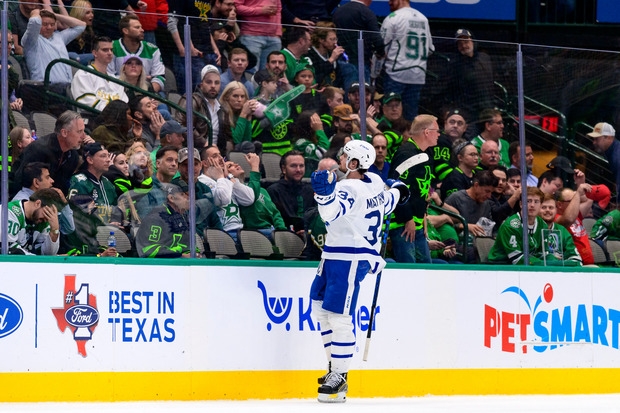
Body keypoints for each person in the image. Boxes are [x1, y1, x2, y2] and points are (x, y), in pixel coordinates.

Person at [309, 139, 406, 403]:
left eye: (344, 156)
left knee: (339, 316)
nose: (340, 158)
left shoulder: (348, 188)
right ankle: (334, 368)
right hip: (334, 254)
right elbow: (389, 199)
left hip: (349, 257)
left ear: (353, 163)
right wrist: (399, 189)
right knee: (319, 306)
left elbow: (330, 214)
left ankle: (339, 376)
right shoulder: (374, 180)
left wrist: (323, 195)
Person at [387, 114, 438, 263]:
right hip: (403, 224)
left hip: (417, 222)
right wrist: (407, 218)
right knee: (409, 267)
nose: (439, 135)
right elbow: (396, 187)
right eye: (437, 130)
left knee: (426, 267)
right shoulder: (406, 153)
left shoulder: (427, 152)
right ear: (427, 132)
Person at [489, 187, 579, 266]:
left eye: (536, 202)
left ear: (540, 205)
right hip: (501, 265)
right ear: (521, 204)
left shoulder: (541, 224)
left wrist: (555, 261)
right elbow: (517, 259)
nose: (532, 205)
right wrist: (545, 263)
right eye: (528, 201)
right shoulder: (511, 226)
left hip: (527, 266)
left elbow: (542, 253)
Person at [380, 0, 433, 121]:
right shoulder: (423, 18)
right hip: (417, 74)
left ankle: (390, 137)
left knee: (391, 113)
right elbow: (430, 49)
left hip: (396, 73)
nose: (389, 2)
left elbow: (381, 47)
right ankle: (409, 138)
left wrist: (374, 73)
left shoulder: (393, 17)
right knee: (410, 116)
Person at [15, 111, 85, 195]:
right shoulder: (38, 149)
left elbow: (63, 188)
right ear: (64, 133)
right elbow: (19, 181)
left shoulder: (73, 156)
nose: (83, 136)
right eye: (79, 132)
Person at [167, 0, 220, 95]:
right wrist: (184, 48)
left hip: (208, 52)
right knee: (192, 92)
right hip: (190, 53)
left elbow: (207, 26)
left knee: (213, 90)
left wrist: (215, 49)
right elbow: (173, 22)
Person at [21, 7, 86, 83]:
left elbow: (81, 26)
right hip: (44, 88)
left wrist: (54, 15)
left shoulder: (59, 37)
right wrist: (35, 12)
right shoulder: (31, 40)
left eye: (52, 24)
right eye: (45, 24)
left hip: (66, 88)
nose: (49, 27)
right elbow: (35, 21)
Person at [13, 161, 75, 238]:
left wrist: (64, 203)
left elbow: (68, 229)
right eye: (47, 177)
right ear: (36, 182)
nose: (52, 181)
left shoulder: (46, 200)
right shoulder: (19, 204)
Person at [107, 14, 166, 95]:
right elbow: (108, 75)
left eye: (141, 27)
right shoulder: (111, 48)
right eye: (137, 27)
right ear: (125, 31)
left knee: (163, 108)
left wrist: (146, 92)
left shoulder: (152, 50)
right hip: (119, 92)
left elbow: (160, 76)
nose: (142, 30)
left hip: (148, 91)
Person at [135, 184, 196, 258]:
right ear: (171, 198)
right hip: (154, 267)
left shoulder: (183, 217)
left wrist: (194, 254)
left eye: (190, 195)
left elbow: (188, 246)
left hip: (177, 265)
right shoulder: (155, 218)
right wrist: (180, 256)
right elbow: (149, 250)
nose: (189, 198)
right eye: (183, 195)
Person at [444, 29, 495, 116]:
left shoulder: (485, 58)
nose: (463, 45)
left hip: (488, 108)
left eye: (466, 41)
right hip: (467, 111)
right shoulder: (454, 65)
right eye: (460, 43)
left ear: (473, 41)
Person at [71, 36, 129, 112]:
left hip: (116, 120)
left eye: (111, 50)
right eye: (105, 50)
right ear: (95, 53)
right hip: (92, 119)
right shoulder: (83, 74)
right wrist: (112, 112)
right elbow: (86, 102)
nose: (110, 53)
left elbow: (124, 103)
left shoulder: (115, 79)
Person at [332, 0, 385, 82]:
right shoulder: (366, 13)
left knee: (345, 90)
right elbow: (377, 39)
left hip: (340, 59)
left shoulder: (338, 11)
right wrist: (380, 53)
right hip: (360, 61)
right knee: (359, 92)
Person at [67, 143, 120, 225]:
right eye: (103, 156)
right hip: (87, 234)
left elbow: (115, 209)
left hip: (108, 232)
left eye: (108, 156)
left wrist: (116, 221)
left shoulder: (107, 183)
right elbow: (79, 217)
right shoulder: (78, 182)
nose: (108, 160)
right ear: (90, 160)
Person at [0, 188, 64, 255]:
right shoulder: (8, 212)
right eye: (47, 213)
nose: (47, 219)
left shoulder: (42, 221)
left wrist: (54, 230)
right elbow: (8, 249)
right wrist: (37, 260)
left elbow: (48, 254)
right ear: (37, 203)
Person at [266, 150, 315, 234]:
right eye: (293, 166)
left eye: (301, 166)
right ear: (284, 169)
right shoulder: (273, 191)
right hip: (284, 236)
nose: (298, 170)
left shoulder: (310, 190)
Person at [176, 64, 221, 146]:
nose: (213, 86)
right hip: (196, 150)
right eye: (209, 82)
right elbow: (181, 125)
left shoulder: (221, 108)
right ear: (201, 84)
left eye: (217, 83)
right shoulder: (191, 100)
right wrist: (204, 143)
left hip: (217, 153)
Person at [445, 169, 498, 237]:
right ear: (476, 185)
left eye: (491, 192)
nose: (489, 196)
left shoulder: (486, 204)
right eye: (487, 191)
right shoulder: (456, 198)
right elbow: (443, 224)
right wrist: (463, 226)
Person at [235, 0, 282, 72]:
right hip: (251, 36)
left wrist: (278, 32)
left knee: (270, 74)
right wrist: (260, 10)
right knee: (251, 71)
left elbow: (278, 9)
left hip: (273, 38)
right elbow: (236, 7)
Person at [538, 193, 584, 266]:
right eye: (543, 207)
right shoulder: (532, 229)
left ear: (556, 210)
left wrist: (560, 264)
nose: (547, 210)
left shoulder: (562, 230)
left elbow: (576, 258)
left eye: (551, 207)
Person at [554, 185, 595, 265]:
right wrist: (578, 194)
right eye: (572, 200)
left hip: (587, 264)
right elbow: (569, 219)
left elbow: (588, 200)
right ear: (559, 204)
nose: (576, 202)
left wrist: (580, 184)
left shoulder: (576, 214)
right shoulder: (556, 218)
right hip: (574, 264)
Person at [218, 81, 257, 156]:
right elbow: (236, 141)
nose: (239, 100)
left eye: (242, 97)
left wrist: (248, 117)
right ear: (227, 97)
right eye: (235, 96)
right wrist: (243, 114)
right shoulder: (222, 113)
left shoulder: (242, 112)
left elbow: (247, 140)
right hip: (226, 153)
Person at [588, 122, 620, 204]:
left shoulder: (617, 155)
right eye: (593, 139)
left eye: (597, 139)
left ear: (608, 138)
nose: (594, 142)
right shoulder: (612, 151)